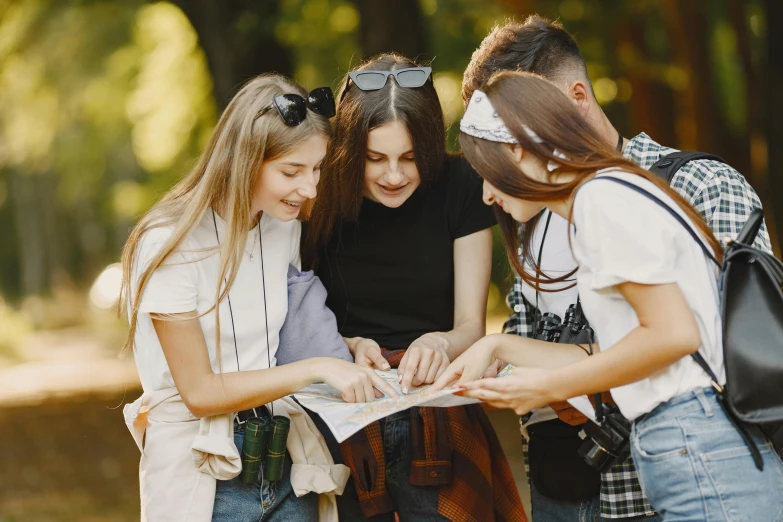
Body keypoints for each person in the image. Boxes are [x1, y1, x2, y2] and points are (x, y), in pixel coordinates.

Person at [459, 15, 773, 522]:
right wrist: (494, 349)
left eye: (489, 172)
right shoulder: (601, 195)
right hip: (624, 461)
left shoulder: (604, 198)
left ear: (521, 145)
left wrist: (554, 384)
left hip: (696, 439)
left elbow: (676, 334)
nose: (486, 193)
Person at [119, 74, 397, 522]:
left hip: (283, 466)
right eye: (291, 172)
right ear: (244, 160)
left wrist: (346, 351)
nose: (309, 189)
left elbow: (262, 345)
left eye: (317, 169)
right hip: (203, 475)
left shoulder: (282, 224)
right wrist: (318, 368)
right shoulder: (168, 242)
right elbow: (201, 392)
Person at [302, 54, 527, 522]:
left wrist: (440, 342)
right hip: (342, 416)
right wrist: (345, 345)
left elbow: (470, 324)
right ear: (349, 149)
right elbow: (293, 319)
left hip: (439, 416)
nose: (394, 176)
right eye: (375, 159)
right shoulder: (316, 197)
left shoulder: (462, 185)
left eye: (409, 158)